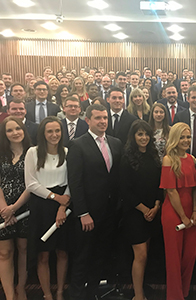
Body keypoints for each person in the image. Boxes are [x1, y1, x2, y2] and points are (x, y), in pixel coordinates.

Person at [67, 104, 122, 300]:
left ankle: (92, 294)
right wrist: (82, 213)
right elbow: (75, 182)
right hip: (87, 214)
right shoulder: (78, 144)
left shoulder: (115, 143)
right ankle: (76, 295)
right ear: (88, 120)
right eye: (98, 118)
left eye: (105, 118)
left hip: (110, 212)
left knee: (101, 255)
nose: (103, 121)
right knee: (83, 257)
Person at [24, 116, 70, 300]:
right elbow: (31, 184)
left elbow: (71, 182)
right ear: (43, 133)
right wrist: (55, 198)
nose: (54, 134)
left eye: (57, 130)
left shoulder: (67, 151)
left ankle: (59, 292)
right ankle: (47, 294)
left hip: (64, 206)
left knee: (62, 252)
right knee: (43, 254)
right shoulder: (32, 153)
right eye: (49, 131)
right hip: (41, 205)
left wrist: (62, 205)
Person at [120, 120, 163, 300]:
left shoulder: (154, 155)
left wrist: (156, 206)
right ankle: (138, 295)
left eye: (146, 134)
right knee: (141, 255)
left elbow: (160, 184)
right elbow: (124, 190)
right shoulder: (126, 157)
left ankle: (142, 288)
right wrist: (145, 209)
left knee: (146, 254)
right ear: (133, 136)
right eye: (140, 134)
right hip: (134, 213)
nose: (144, 137)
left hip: (152, 212)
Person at [160, 122, 196, 300]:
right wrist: (183, 216)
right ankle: (175, 296)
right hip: (173, 213)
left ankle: (184, 292)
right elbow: (171, 190)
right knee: (174, 259)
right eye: (182, 137)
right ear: (175, 138)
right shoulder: (168, 159)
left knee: (190, 255)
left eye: (188, 137)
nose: (186, 140)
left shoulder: (192, 159)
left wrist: (195, 211)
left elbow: (195, 189)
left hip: (191, 212)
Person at [0, 117, 31, 300]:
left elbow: (33, 184)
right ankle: (10, 295)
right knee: (5, 252)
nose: (15, 133)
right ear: (4, 134)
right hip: (2, 209)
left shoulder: (32, 152)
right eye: (10, 130)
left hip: (25, 207)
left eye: (18, 128)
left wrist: (15, 208)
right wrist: (5, 209)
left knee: (23, 248)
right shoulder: (0, 153)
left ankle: (21, 288)